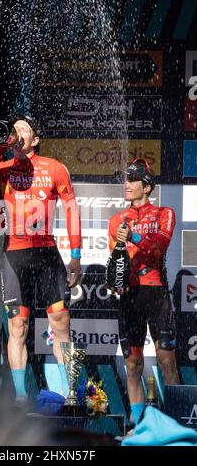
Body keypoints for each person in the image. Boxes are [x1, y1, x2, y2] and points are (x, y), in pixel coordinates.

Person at [0, 115, 82, 403]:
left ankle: (70, 392)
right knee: (18, 326)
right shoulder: (3, 168)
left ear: (35, 139)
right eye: (14, 129)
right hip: (14, 255)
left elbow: (71, 209)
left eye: (24, 130)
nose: (17, 133)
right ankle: (20, 395)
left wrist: (76, 256)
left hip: (46, 252)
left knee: (60, 322)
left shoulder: (54, 168)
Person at [108, 158, 180, 426]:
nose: (126, 185)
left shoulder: (165, 213)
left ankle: (177, 425)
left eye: (132, 180)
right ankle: (136, 426)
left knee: (166, 362)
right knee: (133, 365)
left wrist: (135, 237)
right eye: (125, 180)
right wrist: (115, 279)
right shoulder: (116, 220)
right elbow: (115, 261)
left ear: (147, 186)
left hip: (156, 294)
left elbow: (159, 250)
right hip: (129, 297)